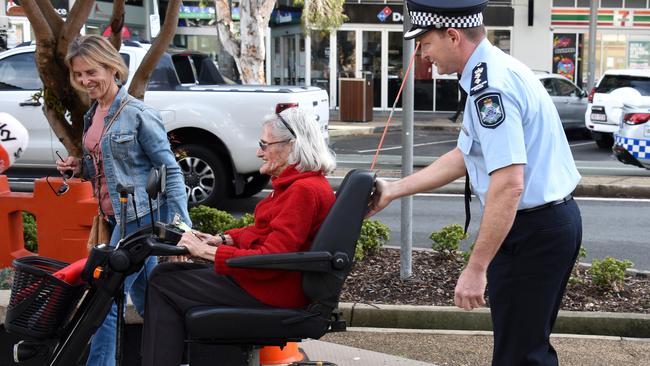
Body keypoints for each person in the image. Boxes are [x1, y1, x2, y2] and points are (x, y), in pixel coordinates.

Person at [367, 1, 583, 365]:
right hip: (542, 226)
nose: (422, 55)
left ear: (452, 36)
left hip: (532, 232)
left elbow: (510, 183)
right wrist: (394, 188)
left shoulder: (489, 88)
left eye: (425, 43)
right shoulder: (491, 71)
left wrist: (476, 267)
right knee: (525, 348)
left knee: (521, 356)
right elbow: (467, 155)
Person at [140, 107, 337, 366]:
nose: (259, 152)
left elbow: (272, 258)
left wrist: (205, 252)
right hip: (275, 284)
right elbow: (265, 232)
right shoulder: (300, 184)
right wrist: (222, 239)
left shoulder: (302, 191)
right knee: (165, 276)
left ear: (292, 146)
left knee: (162, 283)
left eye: (264, 145)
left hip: (273, 290)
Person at [55, 35, 191, 366]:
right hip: (115, 218)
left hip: (139, 221)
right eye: (79, 75)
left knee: (105, 297)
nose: (86, 81)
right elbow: (109, 167)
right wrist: (78, 166)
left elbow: (169, 170)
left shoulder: (138, 114)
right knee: (148, 299)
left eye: (91, 72)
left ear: (112, 67)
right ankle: (191, 351)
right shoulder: (94, 113)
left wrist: (183, 225)